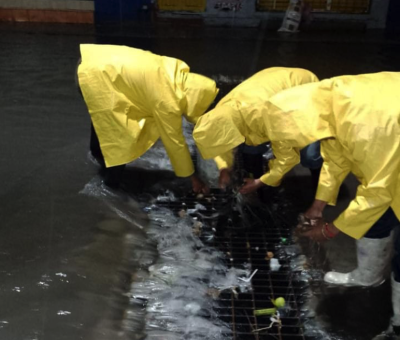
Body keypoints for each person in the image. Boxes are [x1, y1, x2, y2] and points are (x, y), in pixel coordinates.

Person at [195, 71, 400, 339]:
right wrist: (318, 205)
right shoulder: (322, 109)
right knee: (379, 216)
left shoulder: (365, 124)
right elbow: (336, 160)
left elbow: (378, 190)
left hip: (387, 131)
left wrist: (330, 230)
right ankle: (369, 276)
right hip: (387, 145)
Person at [77, 44, 219, 192]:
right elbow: (175, 143)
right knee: (121, 137)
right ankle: (110, 187)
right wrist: (193, 178)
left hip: (95, 59)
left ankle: (97, 154)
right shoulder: (169, 101)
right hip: (94, 75)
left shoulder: (176, 72)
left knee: (106, 117)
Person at [192, 67, 321, 193]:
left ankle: (321, 188)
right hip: (271, 83)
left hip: (305, 91)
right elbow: (219, 143)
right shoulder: (220, 114)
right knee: (250, 147)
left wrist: (261, 182)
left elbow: (288, 157)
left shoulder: (267, 117)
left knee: (309, 154)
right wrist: (224, 168)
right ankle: (263, 184)